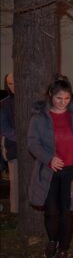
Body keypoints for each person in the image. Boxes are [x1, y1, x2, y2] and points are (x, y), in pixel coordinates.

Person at [27, 77, 73, 258]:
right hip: (50, 171)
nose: (63, 102)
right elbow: (32, 143)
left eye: (67, 98)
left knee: (67, 212)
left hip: (72, 171)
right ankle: (52, 240)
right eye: (59, 98)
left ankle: (63, 248)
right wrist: (49, 159)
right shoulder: (39, 117)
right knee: (51, 211)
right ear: (50, 96)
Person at [0, 73, 17, 213]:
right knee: (15, 180)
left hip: (34, 146)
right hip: (14, 146)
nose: (13, 86)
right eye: (10, 83)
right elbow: (4, 127)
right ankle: (16, 210)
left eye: (15, 82)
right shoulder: (4, 103)